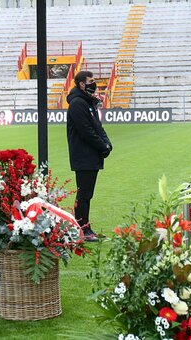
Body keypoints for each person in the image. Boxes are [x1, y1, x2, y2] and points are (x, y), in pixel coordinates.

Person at [66, 70, 112, 242]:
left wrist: (107, 143)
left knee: (87, 194)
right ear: (82, 84)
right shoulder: (78, 103)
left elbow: (97, 127)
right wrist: (102, 146)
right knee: (84, 195)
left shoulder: (87, 103)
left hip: (90, 155)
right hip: (83, 155)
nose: (94, 84)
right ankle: (81, 229)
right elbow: (86, 131)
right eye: (91, 81)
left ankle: (86, 228)